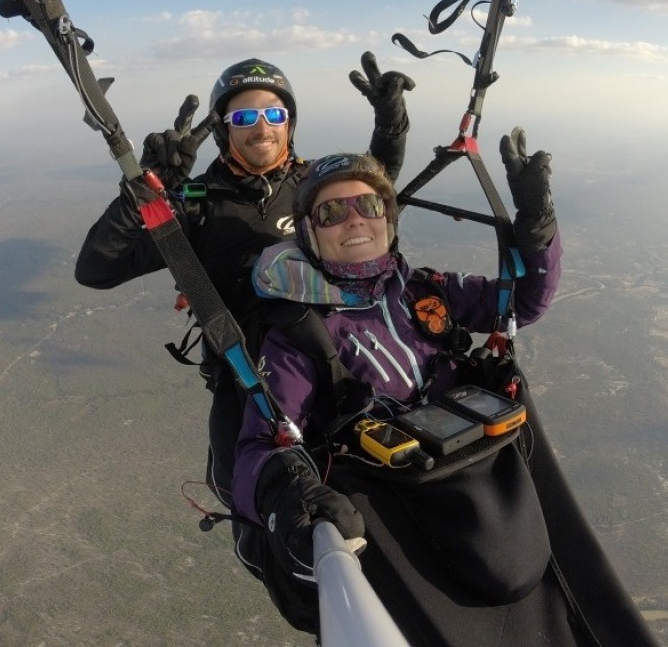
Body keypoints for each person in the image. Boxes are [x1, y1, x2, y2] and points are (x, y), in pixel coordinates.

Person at [230, 142, 576, 645]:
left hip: (485, 487)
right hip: (402, 514)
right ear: (308, 233)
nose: (354, 221)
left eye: (368, 205)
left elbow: (523, 301)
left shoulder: (424, 290)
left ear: (388, 220)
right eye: (331, 212)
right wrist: (288, 494)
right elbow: (261, 445)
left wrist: (537, 224)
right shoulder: (300, 334)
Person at [73, 56, 414, 530]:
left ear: (290, 123)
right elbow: (97, 268)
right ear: (224, 131)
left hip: (346, 366)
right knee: (254, 505)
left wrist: (390, 123)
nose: (262, 128)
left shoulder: (314, 186)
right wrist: (146, 189)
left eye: (274, 114)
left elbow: (376, 189)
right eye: (244, 117)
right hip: (253, 385)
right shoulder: (194, 208)